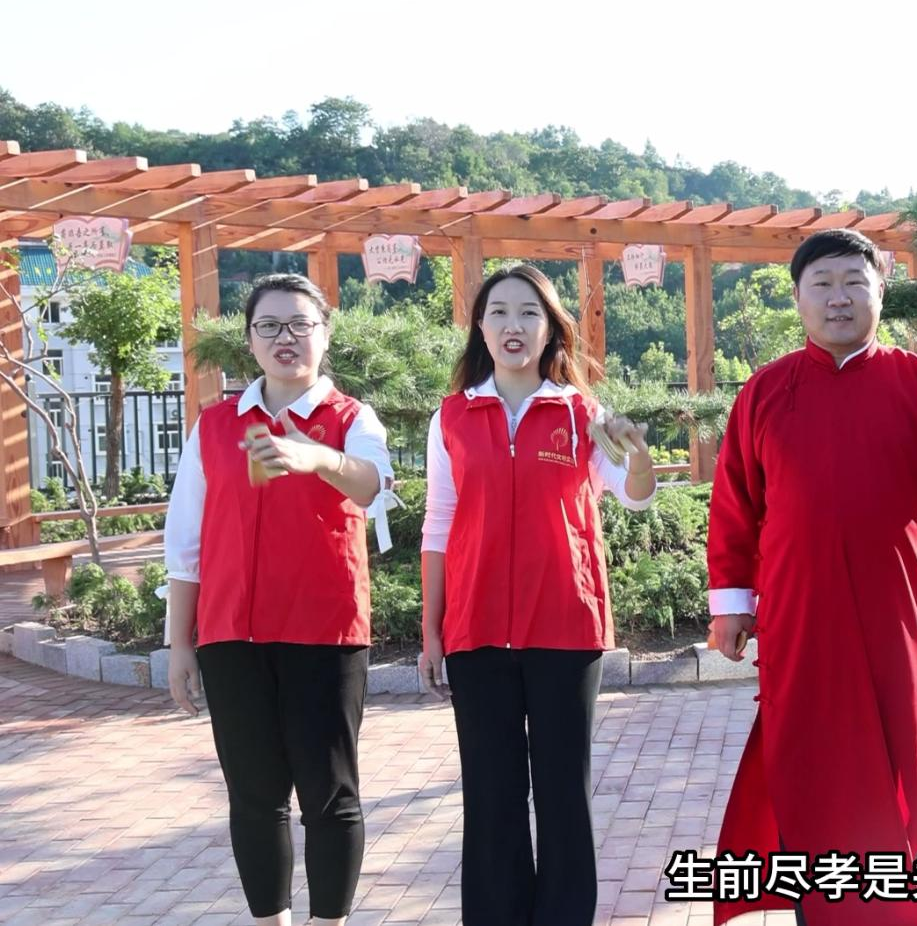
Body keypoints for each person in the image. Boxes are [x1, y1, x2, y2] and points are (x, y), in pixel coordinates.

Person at [705, 228, 917, 926]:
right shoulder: (765, 392)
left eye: (855, 281)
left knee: (898, 764)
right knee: (807, 769)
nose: (839, 297)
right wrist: (731, 605)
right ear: (798, 299)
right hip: (799, 620)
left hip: (895, 619)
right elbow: (734, 506)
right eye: (821, 284)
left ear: (881, 291)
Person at [416, 263, 657, 926]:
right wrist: (433, 630)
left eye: (529, 312)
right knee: (491, 795)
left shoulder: (582, 413)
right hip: (476, 630)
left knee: (562, 792)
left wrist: (638, 455)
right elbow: (438, 524)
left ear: (551, 328)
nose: (513, 325)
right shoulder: (452, 417)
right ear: (480, 328)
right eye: (498, 312)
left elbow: (635, 496)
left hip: (565, 626)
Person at [165, 273, 395, 926]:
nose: (284, 338)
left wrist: (314, 455)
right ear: (249, 340)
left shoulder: (352, 419)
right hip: (231, 636)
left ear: (326, 334)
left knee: (330, 796)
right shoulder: (215, 426)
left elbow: (372, 486)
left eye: (300, 324)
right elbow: (185, 543)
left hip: (325, 632)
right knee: (254, 798)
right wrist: (180, 644)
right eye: (268, 326)